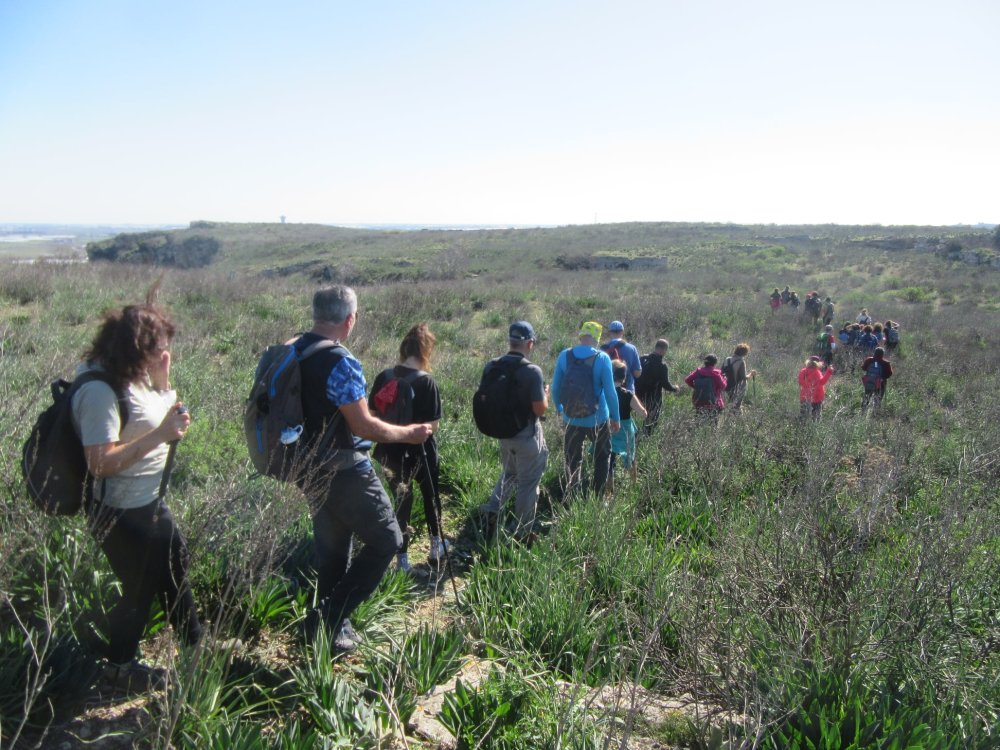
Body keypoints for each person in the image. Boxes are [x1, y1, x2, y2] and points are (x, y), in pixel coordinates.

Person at [72, 296, 202, 688]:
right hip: (120, 510)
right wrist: (161, 433)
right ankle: (122, 668)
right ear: (136, 347)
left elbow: (162, 416)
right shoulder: (99, 391)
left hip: (147, 502)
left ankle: (192, 648)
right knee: (143, 586)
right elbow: (100, 463)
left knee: (172, 572)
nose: (165, 352)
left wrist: (163, 382)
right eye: (159, 346)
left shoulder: (135, 375)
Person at [296, 286, 433, 651]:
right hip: (344, 469)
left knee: (335, 546)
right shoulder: (341, 362)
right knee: (388, 539)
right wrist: (410, 433)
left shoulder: (294, 348)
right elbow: (363, 426)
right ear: (349, 319)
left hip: (307, 468)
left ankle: (333, 629)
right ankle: (325, 619)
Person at [370, 323, 444, 573]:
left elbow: (372, 414)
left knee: (401, 500)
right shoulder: (427, 382)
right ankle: (436, 546)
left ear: (404, 349)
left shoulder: (385, 376)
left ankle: (402, 559)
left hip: (390, 450)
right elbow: (432, 425)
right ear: (426, 350)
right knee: (430, 496)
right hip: (420, 450)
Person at [479, 321, 549, 542]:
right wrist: (545, 394)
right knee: (529, 483)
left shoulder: (491, 366)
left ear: (510, 341)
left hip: (502, 433)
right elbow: (539, 409)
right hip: (526, 435)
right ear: (529, 343)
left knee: (509, 474)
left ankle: (493, 509)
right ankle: (522, 531)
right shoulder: (532, 371)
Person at [551, 321, 620, 500]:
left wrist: (560, 408)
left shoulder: (564, 355)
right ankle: (598, 497)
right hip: (598, 419)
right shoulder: (602, 358)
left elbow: (555, 388)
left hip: (571, 418)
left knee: (572, 459)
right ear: (597, 339)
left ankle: (572, 495)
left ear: (581, 336)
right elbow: (611, 393)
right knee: (601, 457)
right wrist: (616, 417)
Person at [609, 360, 647, 491]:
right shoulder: (628, 394)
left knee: (609, 462)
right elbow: (643, 414)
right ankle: (634, 485)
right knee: (630, 458)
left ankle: (608, 494)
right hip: (625, 429)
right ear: (624, 377)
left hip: (609, 429)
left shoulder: (604, 393)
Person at [635, 339, 680, 436]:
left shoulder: (642, 359)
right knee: (651, 421)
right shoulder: (662, 365)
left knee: (636, 419)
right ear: (664, 350)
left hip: (637, 396)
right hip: (653, 398)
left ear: (656, 347)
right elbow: (665, 384)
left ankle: (634, 436)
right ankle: (644, 439)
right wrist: (675, 388)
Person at [600, 320, 642, 392]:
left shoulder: (602, 349)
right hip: (627, 390)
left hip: (607, 390)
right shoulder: (632, 348)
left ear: (610, 332)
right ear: (622, 332)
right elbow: (637, 374)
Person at [684, 354, 727, 419]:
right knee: (713, 424)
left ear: (705, 362)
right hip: (714, 403)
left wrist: (695, 387)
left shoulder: (698, 372)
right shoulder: (716, 374)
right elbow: (723, 386)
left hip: (699, 402)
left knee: (698, 422)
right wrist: (725, 379)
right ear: (715, 363)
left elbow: (687, 380)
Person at [798, 356, 834, 421]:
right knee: (816, 417)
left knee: (803, 416)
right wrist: (829, 371)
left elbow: (800, 382)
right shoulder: (817, 372)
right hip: (817, 398)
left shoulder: (803, 371)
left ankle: (802, 428)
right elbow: (822, 382)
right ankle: (814, 430)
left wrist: (808, 386)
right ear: (818, 363)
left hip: (804, 397)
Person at [722, 343, 755, 411]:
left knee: (728, 404)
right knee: (736, 406)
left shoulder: (727, 359)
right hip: (737, 387)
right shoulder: (741, 362)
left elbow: (721, 372)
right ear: (744, 353)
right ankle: (736, 419)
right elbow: (744, 377)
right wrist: (751, 374)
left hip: (726, 386)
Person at [861, 347, 893, 411]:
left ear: (874, 352)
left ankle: (863, 411)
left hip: (869, 381)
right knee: (878, 399)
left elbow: (863, 368)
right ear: (883, 354)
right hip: (881, 384)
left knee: (867, 396)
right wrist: (882, 378)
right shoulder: (886, 363)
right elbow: (889, 374)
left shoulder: (869, 360)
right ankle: (875, 413)